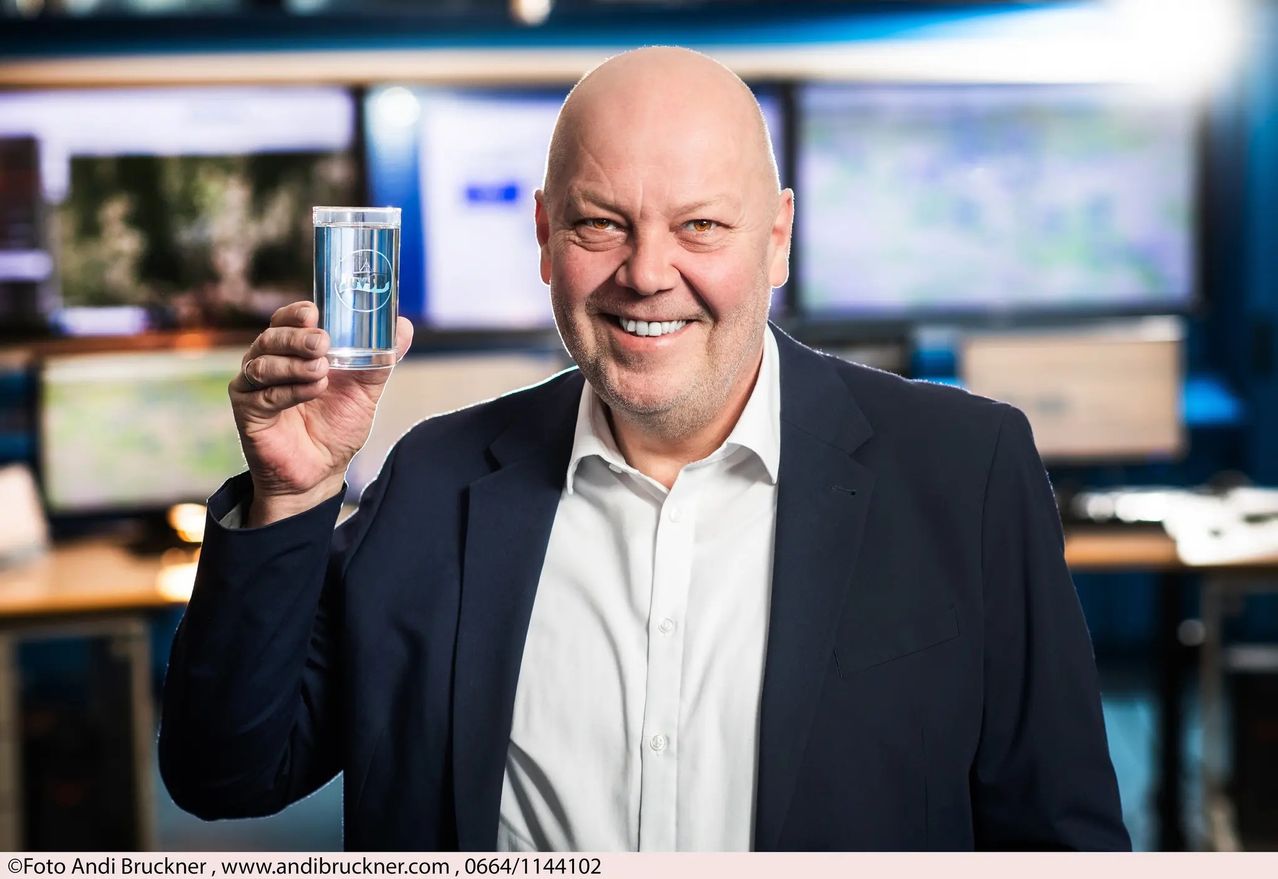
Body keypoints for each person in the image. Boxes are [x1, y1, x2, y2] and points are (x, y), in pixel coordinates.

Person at [159, 46, 1130, 852]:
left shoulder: (967, 473)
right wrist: (290, 493)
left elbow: (1059, 841)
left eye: (699, 225)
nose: (648, 274)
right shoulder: (434, 482)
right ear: (546, 236)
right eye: (601, 224)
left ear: (777, 239)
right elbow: (226, 773)